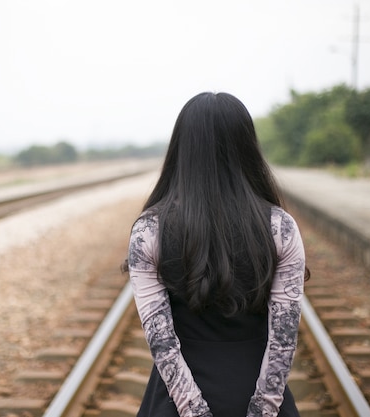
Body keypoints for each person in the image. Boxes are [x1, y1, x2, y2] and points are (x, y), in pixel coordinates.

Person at [124, 92, 308, 417]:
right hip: (257, 390)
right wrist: (263, 409)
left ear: (180, 149)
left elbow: (161, 341)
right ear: (248, 147)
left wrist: (194, 410)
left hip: (174, 403)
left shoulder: (148, 231)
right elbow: (283, 337)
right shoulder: (281, 227)